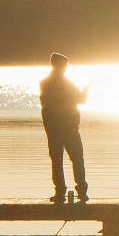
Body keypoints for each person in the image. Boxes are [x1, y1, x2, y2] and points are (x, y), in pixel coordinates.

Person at [39, 53, 90, 203]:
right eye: (64, 65)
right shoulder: (62, 84)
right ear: (58, 66)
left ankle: (61, 193)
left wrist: (84, 89)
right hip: (67, 129)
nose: (66, 68)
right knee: (76, 160)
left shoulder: (46, 84)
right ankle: (80, 192)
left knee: (58, 161)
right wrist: (85, 89)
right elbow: (81, 100)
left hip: (56, 130)